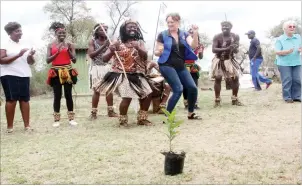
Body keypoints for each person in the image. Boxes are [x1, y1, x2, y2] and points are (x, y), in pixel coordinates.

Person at [95, 19, 153, 127]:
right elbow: (104, 59)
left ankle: (142, 119)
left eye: (135, 27)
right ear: (123, 29)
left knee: (147, 94)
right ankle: (123, 121)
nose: (133, 29)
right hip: (121, 74)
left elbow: (145, 57)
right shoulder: (117, 43)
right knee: (127, 97)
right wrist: (111, 50)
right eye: (130, 27)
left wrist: (138, 48)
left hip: (136, 73)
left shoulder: (140, 42)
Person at [154, 13, 201, 120]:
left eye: (172, 22)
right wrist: (158, 52)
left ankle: (191, 113)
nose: (170, 24)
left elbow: (193, 45)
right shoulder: (163, 35)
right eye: (168, 22)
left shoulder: (184, 34)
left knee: (192, 87)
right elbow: (157, 51)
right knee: (178, 89)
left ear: (178, 22)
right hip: (166, 65)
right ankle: (168, 116)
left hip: (180, 65)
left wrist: (195, 33)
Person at [0, 22, 36, 133]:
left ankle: (27, 126)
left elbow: (30, 62)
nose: (20, 32)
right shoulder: (4, 43)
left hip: (24, 74)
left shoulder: (24, 44)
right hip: (9, 74)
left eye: (20, 30)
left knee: (25, 100)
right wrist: (18, 55)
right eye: (17, 31)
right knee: (11, 100)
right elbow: (1, 60)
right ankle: (10, 127)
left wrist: (30, 56)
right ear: (10, 33)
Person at [46, 22, 78, 127]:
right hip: (56, 71)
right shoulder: (51, 45)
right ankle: (56, 120)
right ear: (56, 33)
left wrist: (68, 51)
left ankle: (71, 119)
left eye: (64, 33)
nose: (62, 34)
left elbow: (74, 60)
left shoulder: (70, 44)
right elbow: (47, 60)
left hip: (67, 71)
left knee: (68, 95)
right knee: (57, 95)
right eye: (59, 33)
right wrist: (57, 53)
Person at [88, 23, 118, 120]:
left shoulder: (110, 41)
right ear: (96, 31)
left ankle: (110, 111)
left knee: (109, 90)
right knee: (96, 91)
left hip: (108, 67)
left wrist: (112, 46)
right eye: (102, 29)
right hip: (96, 68)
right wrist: (104, 46)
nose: (104, 31)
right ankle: (93, 113)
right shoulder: (92, 41)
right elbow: (91, 55)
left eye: (106, 29)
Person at [211, 21, 243, 107]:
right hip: (219, 60)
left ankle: (235, 99)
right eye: (223, 26)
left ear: (231, 27)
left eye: (226, 26)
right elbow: (214, 49)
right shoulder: (217, 37)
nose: (224, 27)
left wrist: (234, 48)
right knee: (218, 78)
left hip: (229, 60)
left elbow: (236, 50)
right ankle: (217, 100)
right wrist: (226, 48)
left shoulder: (235, 36)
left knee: (235, 78)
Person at [275, 20, 301, 103]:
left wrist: (300, 49)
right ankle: (287, 97)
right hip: (284, 63)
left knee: (297, 80)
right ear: (284, 28)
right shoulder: (280, 39)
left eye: (294, 26)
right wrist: (286, 52)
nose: (292, 28)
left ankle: (297, 96)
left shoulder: (298, 37)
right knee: (287, 80)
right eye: (290, 26)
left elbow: (300, 46)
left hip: (297, 62)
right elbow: (277, 51)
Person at [183, 28, 204, 109]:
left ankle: (194, 103)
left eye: (193, 33)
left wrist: (201, 51)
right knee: (185, 85)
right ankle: (186, 102)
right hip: (183, 65)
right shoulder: (184, 44)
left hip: (193, 66)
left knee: (194, 85)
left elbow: (200, 57)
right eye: (190, 33)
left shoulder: (199, 45)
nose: (191, 34)